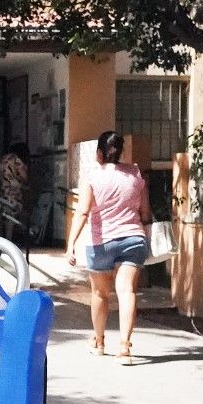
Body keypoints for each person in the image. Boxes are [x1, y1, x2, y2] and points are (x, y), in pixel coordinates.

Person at [65, 130, 152, 361]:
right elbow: (145, 212)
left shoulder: (93, 177)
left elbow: (83, 212)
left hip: (101, 243)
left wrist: (71, 243)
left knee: (100, 294)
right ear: (120, 152)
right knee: (127, 291)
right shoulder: (135, 174)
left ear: (99, 153)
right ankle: (125, 347)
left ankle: (99, 342)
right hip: (133, 239)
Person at [0, 141, 30, 237]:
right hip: (14, 191)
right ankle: (9, 239)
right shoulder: (17, 160)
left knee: (2, 214)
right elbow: (24, 175)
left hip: (4, 190)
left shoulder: (4, 159)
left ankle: (0, 239)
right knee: (11, 215)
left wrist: (5, 179)